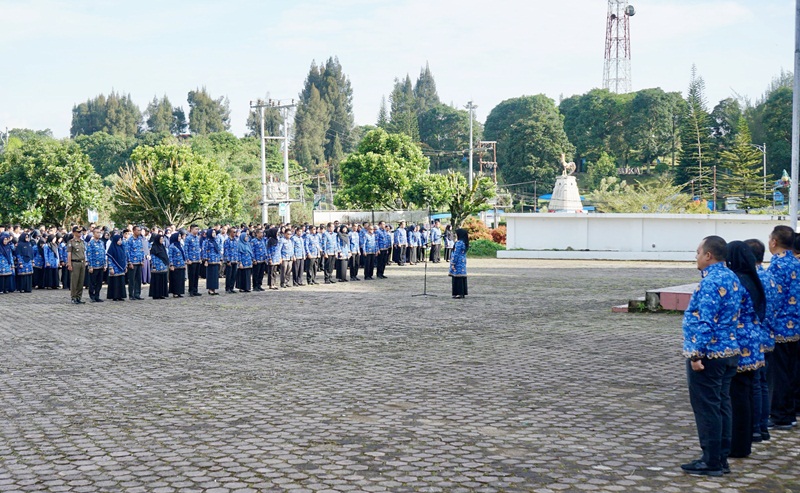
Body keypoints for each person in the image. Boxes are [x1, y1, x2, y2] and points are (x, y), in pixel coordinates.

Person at [681, 236, 741, 477]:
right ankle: (720, 457)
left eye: (697, 252)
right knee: (722, 405)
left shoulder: (710, 282)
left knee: (707, 408)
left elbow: (706, 322)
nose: (695, 257)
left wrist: (696, 354)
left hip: (710, 354)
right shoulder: (731, 277)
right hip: (729, 352)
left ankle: (711, 460)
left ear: (708, 255)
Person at [725, 241, 766, 459]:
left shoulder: (737, 281)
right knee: (747, 393)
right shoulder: (752, 279)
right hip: (753, 343)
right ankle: (746, 439)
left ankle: (738, 445)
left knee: (738, 395)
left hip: (739, 344)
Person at [766, 225, 800, 431]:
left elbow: (773, 298)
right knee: (791, 372)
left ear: (774, 242)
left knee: (778, 376)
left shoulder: (777, 266)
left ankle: (781, 415)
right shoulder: (796, 263)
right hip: (796, 327)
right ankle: (790, 411)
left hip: (779, 329)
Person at [745, 238, 778, 443]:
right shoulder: (769, 277)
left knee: (755, 384)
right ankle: (762, 426)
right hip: (768, 335)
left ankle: (755, 427)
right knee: (763, 384)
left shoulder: (751, 279)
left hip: (754, 339)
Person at [66, 226, 87, 304]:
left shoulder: (82, 241)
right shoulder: (71, 242)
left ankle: (79, 297)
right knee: (74, 281)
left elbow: (83, 253)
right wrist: (69, 264)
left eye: (80, 232)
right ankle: (73, 297)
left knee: (81, 281)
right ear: (74, 233)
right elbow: (69, 254)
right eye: (78, 232)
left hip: (82, 262)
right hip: (75, 262)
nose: (80, 233)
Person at [86, 228, 107, 302]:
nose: (99, 234)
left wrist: (105, 264)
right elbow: (89, 255)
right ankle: (92, 296)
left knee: (99, 282)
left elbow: (104, 254)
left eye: (100, 232)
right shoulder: (90, 243)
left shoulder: (101, 242)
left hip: (101, 265)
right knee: (92, 282)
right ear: (94, 233)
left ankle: (97, 295)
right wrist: (90, 266)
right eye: (97, 232)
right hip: (94, 266)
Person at [106, 234, 128, 301]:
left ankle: (120, 295)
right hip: (115, 268)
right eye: (119, 240)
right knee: (115, 282)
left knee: (121, 282)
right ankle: (115, 296)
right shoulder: (112, 248)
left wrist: (125, 266)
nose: (120, 241)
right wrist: (111, 268)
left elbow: (124, 258)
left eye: (121, 240)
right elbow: (109, 259)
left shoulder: (121, 248)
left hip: (121, 269)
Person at [125, 226, 145, 300]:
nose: (139, 232)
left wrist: (142, 260)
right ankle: (131, 294)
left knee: (138, 279)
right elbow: (127, 251)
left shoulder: (140, 239)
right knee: (132, 279)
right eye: (138, 230)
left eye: (140, 230)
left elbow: (142, 250)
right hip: (133, 262)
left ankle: (137, 294)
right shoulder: (130, 240)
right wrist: (129, 262)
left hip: (139, 262)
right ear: (134, 231)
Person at [148, 233, 169, 300]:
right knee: (156, 281)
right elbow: (153, 257)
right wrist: (154, 266)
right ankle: (156, 294)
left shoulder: (162, 246)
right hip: (156, 267)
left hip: (163, 266)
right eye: (161, 239)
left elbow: (165, 255)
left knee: (162, 280)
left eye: (163, 239)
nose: (162, 240)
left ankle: (162, 294)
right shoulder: (154, 247)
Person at [449, 228, 469, 299]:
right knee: (461, 276)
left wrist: (453, 262)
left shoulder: (459, 243)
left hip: (457, 261)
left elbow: (456, 253)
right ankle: (462, 293)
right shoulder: (464, 242)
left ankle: (458, 292)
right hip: (462, 261)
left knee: (457, 277)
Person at [202, 228, 221, 296]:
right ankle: (210, 289)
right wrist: (206, 260)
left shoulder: (216, 240)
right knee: (210, 275)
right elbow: (204, 250)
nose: (214, 234)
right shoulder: (207, 241)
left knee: (215, 275)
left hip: (216, 260)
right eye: (212, 233)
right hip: (210, 260)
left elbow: (218, 250)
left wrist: (220, 259)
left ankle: (214, 288)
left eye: (215, 233)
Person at [185, 225, 202, 297]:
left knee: (196, 276)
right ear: (191, 229)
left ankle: (195, 290)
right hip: (191, 260)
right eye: (196, 229)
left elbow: (199, 249)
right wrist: (187, 259)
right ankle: (191, 290)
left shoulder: (197, 238)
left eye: (198, 229)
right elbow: (186, 249)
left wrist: (200, 258)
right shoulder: (188, 238)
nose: (197, 231)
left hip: (197, 259)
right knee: (191, 276)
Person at [168, 231, 187, 298]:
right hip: (175, 265)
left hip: (181, 264)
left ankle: (179, 292)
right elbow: (170, 256)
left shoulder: (180, 245)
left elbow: (183, 254)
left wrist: (185, 262)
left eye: (180, 236)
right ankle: (175, 292)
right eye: (178, 236)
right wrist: (171, 264)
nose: (179, 238)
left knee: (181, 279)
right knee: (175, 279)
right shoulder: (172, 246)